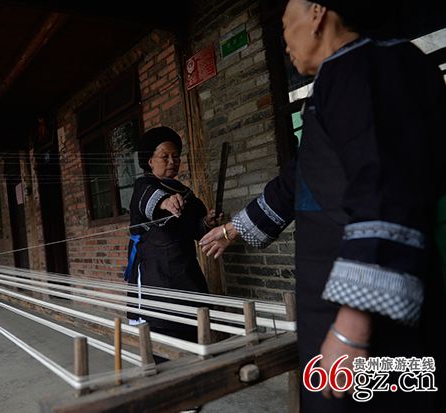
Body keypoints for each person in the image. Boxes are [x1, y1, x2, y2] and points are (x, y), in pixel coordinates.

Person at [199, 0, 445, 411]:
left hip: (372, 318)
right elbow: (298, 180)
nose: (285, 42)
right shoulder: (338, 80)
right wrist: (232, 230)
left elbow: (386, 192)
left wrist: (351, 328)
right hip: (332, 299)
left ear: (316, 12)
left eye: (285, 24)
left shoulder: (371, 68)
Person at [125, 126, 220, 345]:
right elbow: (150, 199)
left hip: (185, 272)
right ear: (150, 161)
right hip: (155, 275)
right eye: (164, 156)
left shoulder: (185, 193)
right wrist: (165, 202)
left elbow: (197, 230)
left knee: (194, 327)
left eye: (176, 156)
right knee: (164, 334)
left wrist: (207, 222)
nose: (172, 161)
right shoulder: (144, 186)